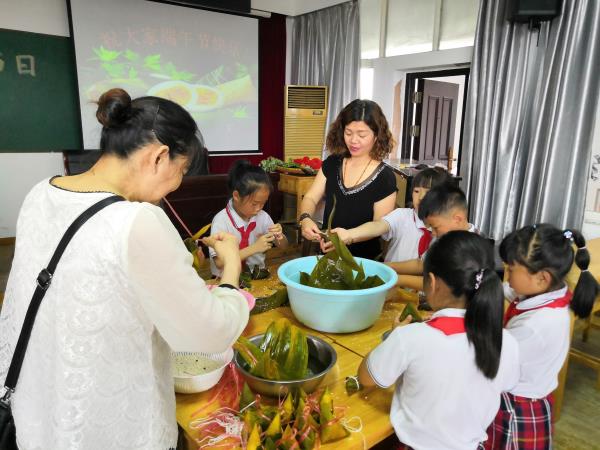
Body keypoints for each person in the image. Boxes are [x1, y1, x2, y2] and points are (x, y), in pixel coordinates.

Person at [0, 88, 250, 450]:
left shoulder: (40, 194)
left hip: (37, 414)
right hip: (106, 429)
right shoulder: (137, 221)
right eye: (181, 170)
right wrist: (231, 270)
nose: (177, 184)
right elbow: (208, 333)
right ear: (159, 157)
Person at [358, 231, 520, 450]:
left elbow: (366, 377)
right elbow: (504, 384)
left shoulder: (410, 337)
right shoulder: (508, 342)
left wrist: (393, 338)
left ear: (432, 283)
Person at [484, 224, 597, 449]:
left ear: (542, 278)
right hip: (529, 393)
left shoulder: (536, 325)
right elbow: (508, 290)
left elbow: (495, 367)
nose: (507, 273)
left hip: (517, 407)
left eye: (511, 269)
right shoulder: (548, 291)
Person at [299, 99, 397, 260]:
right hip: (328, 256)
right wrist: (305, 218)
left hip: (363, 261)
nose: (353, 140)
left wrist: (349, 236)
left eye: (362, 135)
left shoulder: (385, 177)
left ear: (377, 135)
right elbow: (310, 197)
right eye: (348, 133)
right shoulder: (332, 163)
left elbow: (380, 225)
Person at [327, 167, 451, 262]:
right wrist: (349, 234)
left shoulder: (448, 230)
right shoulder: (402, 216)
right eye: (416, 191)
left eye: (428, 192)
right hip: (391, 281)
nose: (421, 197)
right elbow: (377, 226)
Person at [388, 184, 478, 291]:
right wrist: (387, 267)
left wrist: (396, 279)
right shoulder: (444, 237)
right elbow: (422, 264)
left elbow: (440, 285)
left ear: (457, 219)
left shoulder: (471, 249)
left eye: (436, 227)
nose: (433, 233)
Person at [209, 160, 287, 277]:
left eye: (263, 203)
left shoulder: (263, 217)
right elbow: (219, 262)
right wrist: (254, 248)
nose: (259, 208)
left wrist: (279, 236)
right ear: (236, 196)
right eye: (254, 204)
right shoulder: (221, 221)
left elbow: (284, 246)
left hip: (257, 275)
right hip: (225, 279)